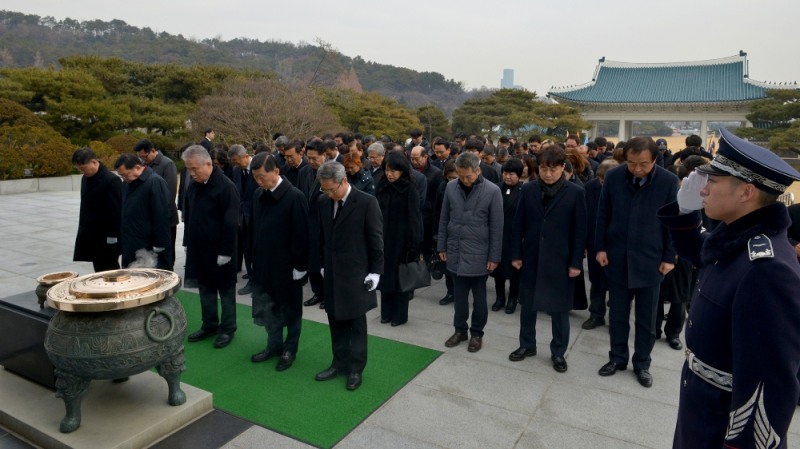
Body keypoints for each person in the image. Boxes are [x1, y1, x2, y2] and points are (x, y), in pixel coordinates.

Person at [658, 128, 800, 449]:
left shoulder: (767, 269)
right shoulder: (737, 240)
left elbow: (770, 384)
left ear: (745, 192)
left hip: (719, 426)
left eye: (713, 182)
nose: (703, 190)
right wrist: (685, 210)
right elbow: (700, 253)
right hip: (700, 407)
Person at [595, 136, 678, 388]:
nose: (637, 169)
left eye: (643, 164)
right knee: (618, 315)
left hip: (650, 259)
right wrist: (599, 247)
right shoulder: (613, 177)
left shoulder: (668, 181)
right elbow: (603, 213)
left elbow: (673, 222)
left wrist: (669, 256)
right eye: (632, 163)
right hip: (618, 256)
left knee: (646, 319)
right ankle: (617, 358)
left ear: (654, 159)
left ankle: (642, 363)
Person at [508, 146, 587, 372]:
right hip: (531, 256)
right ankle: (527, 345)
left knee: (560, 310)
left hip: (560, 261)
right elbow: (518, 225)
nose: (548, 174)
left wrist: (575, 263)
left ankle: (558, 352)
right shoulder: (528, 189)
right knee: (528, 307)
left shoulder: (575, 193)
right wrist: (516, 254)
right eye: (543, 169)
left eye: (553, 169)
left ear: (563, 168)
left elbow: (580, 231)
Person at [314, 161, 383, 391]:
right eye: (325, 189)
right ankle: (338, 361)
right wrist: (322, 264)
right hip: (332, 271)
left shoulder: (366, 202)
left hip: (357, 273)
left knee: (355, 322)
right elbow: (322, 236)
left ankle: (356, 368)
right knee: (334, 318)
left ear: (343, 181)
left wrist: (376, 272)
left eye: (332, 189)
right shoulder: (324, 201)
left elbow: (376, 240)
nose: (329, 194)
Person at [249, 153, 309, 371]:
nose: (258, 181)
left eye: (262, 177)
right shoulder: (258, 194)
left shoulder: (295, 196)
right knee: (269, 307)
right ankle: (273, 345)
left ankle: (289, 349)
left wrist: (301, 267)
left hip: (288, 267)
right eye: (255, 177)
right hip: (265, 264)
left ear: (276, 171)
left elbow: (302, 234)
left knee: (290, 309)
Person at [438, 152, 503, 353]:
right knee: (459, 297)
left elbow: (497, 227)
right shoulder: (450, 187)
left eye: (468, 176)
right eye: (460, 176)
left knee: (480, 298)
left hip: (480, 254)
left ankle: (477, 333)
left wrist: (494, 256)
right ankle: (460, 330)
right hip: (456, 250)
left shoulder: (492, 191)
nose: (464, 180)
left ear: (478, 171)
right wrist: (442, 245)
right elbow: (443, 219)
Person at [182, 145, 240, 349]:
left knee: (225, 291)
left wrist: (225, 251)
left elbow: (231, 223)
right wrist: (187, 242)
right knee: (205, 288)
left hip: (220, 250)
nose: (191, 173)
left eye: (194, 169)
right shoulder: (194, 185)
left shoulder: (226, 187)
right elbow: (190, 217)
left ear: (208, 163)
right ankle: (210, 324)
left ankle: (228, 328)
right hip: (200, 248)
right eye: (188, 169)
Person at [375, 152, 422, 327]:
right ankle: (386, 312)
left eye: (394, 170)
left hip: (401, 240)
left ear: (402, 170)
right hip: (382, 238)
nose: (390, 174)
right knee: (385, 277)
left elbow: (414, 218)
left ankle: (400, 315)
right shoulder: (381, 185)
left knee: (401, 279)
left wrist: (413, 245)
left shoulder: (410, 188)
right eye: (387, 170)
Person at [114, 153, 174, 270]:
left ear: (137, 167)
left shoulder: (155, 182)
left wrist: (160, 244)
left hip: (148, 245)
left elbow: (161, 215)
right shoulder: (127, 183)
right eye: (122, 176)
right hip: (131, 241)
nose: (125, 178)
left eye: (126, 175)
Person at [581, 159, 619, 330]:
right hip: (595, 241)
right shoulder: (590, 187)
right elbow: (585, 215)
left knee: (617, 285)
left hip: (617, 245)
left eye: (606, 180)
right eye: (601, 179)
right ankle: (596, 314)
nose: (603, 183)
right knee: (597, 282)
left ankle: (617, 318)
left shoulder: (624, 189)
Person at [72, 148, 122, 272]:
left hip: (107, 237)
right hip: (92, 235)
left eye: (84, 168)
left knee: (110, 269)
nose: (82, 171)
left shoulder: (111, 180)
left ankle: (114, 291)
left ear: (94, 162)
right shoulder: (86, 178)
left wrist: (113, 236)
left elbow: (116, 211)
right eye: (80, 169)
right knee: (98, 269)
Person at [135, 139, 179, 268]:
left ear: (153, 151)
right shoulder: (143, 165)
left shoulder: (167, 164)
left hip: (166, 217)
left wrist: (160, 214)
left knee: (166, 252)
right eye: (140, 157)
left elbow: (169, 194)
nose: (143, 159)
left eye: (145, 156)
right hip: (149, 218)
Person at [297, 140, 328, 308]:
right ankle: (318, 292)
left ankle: (327, 294)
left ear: (324, 156)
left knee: (324, 260)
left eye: (315, 158)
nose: (311, 161)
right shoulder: (304, 172)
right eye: (309, 158)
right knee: (311, 261)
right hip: (307, 223)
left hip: (324, 224)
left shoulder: (331, 172)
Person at [490, 158, 524, 314]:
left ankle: (512, 299)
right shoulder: (496, 189)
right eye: (505, 173)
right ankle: (500, 297)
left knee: (514, 271)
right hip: (498, 235)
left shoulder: (524, 191)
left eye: (511, 174)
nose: (508, 177)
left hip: (515, 236)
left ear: (518, 175)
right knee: (498, 270)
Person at [229, 145, 257, 295]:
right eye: (234, 162)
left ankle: (258, 279)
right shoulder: (236, 171)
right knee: (247, 249)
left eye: (237, 161)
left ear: (246, 156)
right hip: (243, 218)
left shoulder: (259, 167)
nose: (236, 164)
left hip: (258, 216)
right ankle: (252, 278)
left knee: (258, 250)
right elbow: (237, 194)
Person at [410, 145, 442, 258]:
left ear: (425, 157)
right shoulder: (408, 171)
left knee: (427, 251)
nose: (414, 161)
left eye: (416, 158)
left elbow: (437, 198)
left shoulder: (436, 173)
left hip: (428, 218)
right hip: (413, 216)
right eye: (412, 158)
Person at [433, 161, 458, 306]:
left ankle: (462, 292)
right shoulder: (443, 187)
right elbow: (437, 211)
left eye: (456, 177)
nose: (453, 181)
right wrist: (436, 233)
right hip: (447, 230)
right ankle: (450, 292)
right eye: (450, 178)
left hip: (463, 231)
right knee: (448, 264)